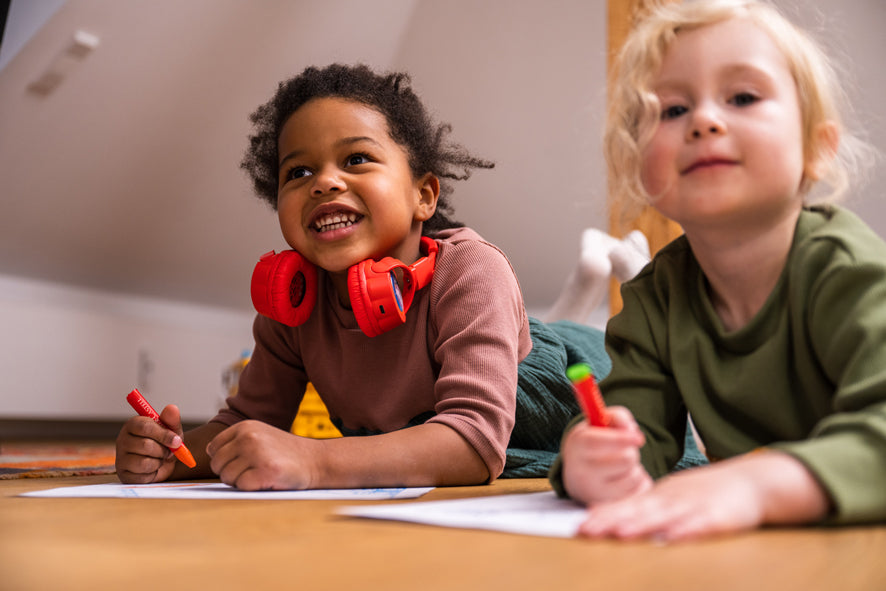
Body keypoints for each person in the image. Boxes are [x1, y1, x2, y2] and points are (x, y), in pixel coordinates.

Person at [115, 63, 608, 490]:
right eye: (298, 172)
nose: (324, 182)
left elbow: (475, 442)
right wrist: (169, 456)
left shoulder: (470, 269)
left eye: (356, 159)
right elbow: (248, 422)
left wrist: (313, 459)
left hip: (588, 387)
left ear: (425, 197)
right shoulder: (292, 302)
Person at [550, 0, 885, 541]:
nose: (705, 121)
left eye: (744, 98)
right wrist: (591, 459)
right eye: (673, 109)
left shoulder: (844, 270)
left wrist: (756, 485)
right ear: (639, 165)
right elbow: (631, 430)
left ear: (816, 149)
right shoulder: (656, 297)